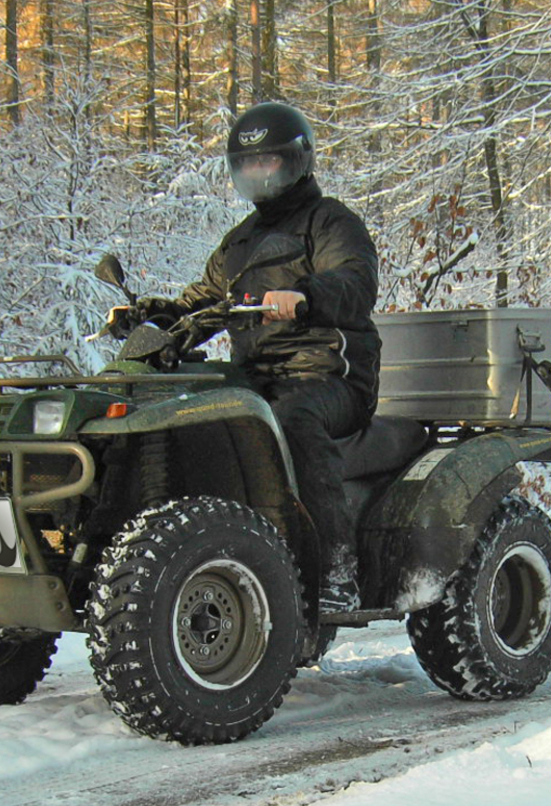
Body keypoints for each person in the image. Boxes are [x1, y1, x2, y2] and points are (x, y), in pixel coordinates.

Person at [111, 102, 380, 613]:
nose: (258, 174)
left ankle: (336, 572)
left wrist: (305, 296)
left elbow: (355, 279)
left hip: (328, 375)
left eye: (268, 163)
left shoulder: (330, 223)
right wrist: (154, 316)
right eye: (248, 165)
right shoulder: (239, 242)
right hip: (256, 378)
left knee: (291, 421)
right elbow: (204, 301)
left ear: (297, 161)